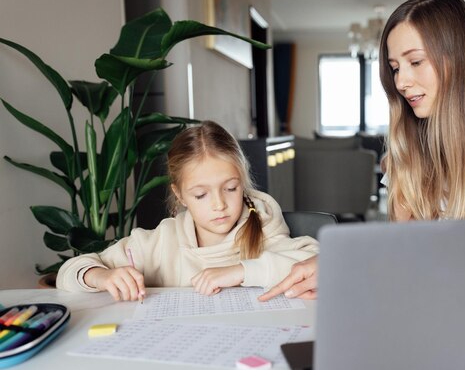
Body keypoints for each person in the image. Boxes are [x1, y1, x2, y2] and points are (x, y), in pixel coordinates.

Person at [259, 0, 465, 302]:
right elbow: (404, 255)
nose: (401, 82)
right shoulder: (409, 153)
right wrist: (341, 264)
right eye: (395, 67)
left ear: (458, 59)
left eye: (415, 61)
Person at [57, 121, 319, 301]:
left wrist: (239, 271)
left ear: (243, 182)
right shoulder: (161, 241)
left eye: (230, 188)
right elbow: (68, 272)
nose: (219, 204)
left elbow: (317, 262)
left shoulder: (263, 224)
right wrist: (102, 276)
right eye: (201, 195)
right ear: (180, 194)